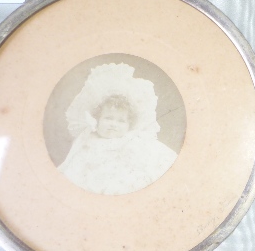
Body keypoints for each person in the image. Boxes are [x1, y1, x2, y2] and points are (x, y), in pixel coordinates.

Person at [57, 63, 178, 195]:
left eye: (121, 121)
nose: (113, 124)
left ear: (129, 125)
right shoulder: (87, 141)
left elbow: (153, 163)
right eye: (108, 118)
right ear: (97, 120)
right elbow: (75, 168)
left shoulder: (134, 141)